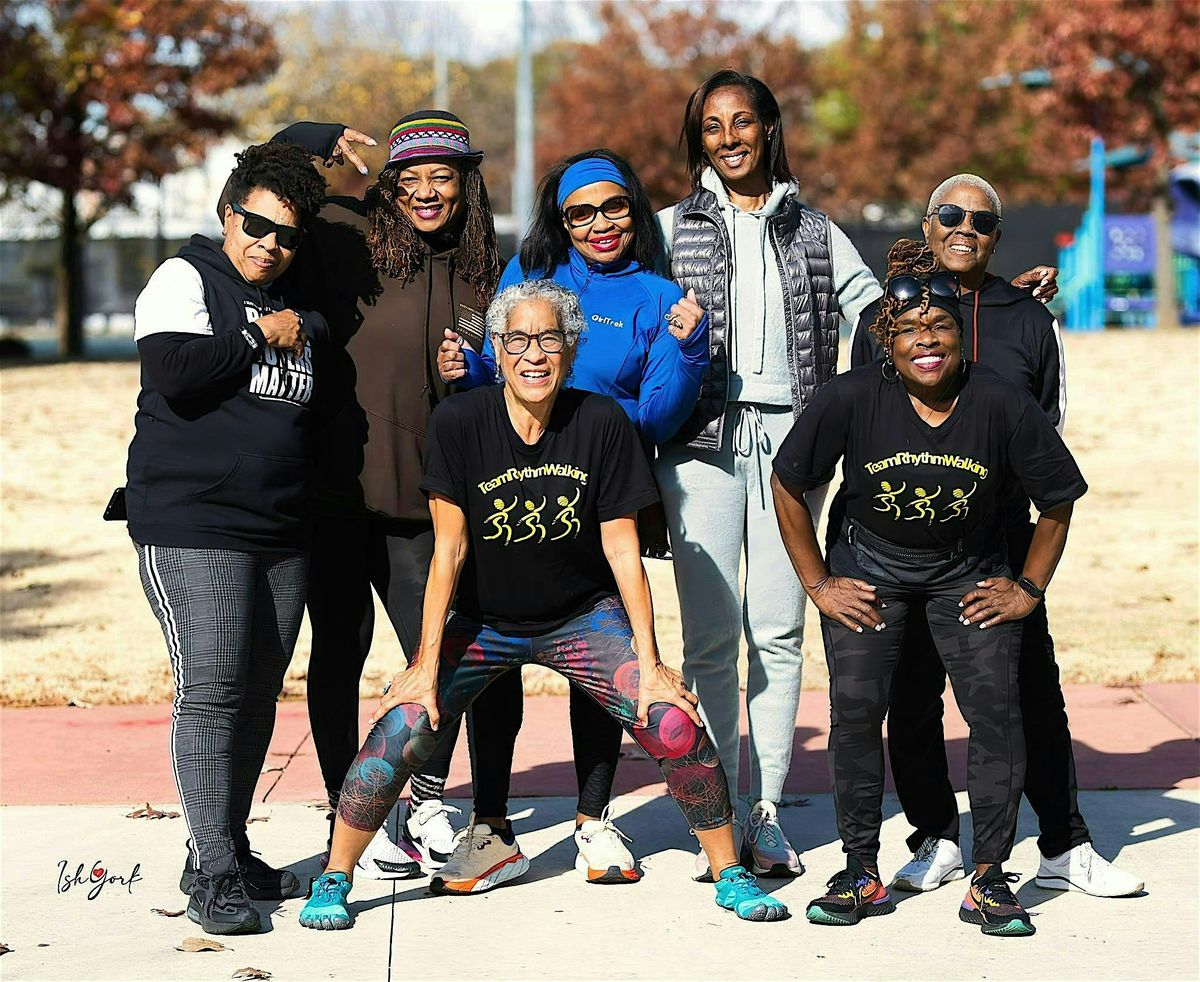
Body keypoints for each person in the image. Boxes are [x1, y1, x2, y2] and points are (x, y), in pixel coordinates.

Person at [655, 69, 1062, 880]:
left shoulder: (815, 228)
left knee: (778, 632)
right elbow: (620, 301)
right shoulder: (668, 229)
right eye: (712, 126)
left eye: (743, 122)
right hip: (701, 446)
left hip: (791, 443)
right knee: (711, 638)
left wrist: (995, 304)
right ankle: (718, 819)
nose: (729, 138)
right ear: (698, 139)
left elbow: (891, 313)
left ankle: (767, 812)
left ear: (770, 129)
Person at [298, 280, 788, 929]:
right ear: (498, 350)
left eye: (549, 338)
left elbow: (622, 551)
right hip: (484, 622)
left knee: (671, 720)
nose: (534, 353)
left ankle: (730, 873)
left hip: (581, 616)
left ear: (571, 348)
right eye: (518, 339)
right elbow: (448, 550)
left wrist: (651, 664)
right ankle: (334, 877)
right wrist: (422, 664)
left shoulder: (602, 423)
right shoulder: (460, 422)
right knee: (402, 726)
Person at [772, 238, 1089, 937]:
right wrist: (819, 582)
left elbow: (1059, 498)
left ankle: (989, 876)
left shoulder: (998, 399)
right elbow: (789, 482)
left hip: (967, 573)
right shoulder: (852, 396)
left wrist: (1027, 588)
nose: (926, 340)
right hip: (869, 571)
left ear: (961, 336)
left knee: (996, 715)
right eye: (910, 329)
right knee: (858, 715)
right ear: (887, 344)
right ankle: (859, 868)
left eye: (940, 325)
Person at [850, 174, 1144, 899]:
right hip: (904, 546)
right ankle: (935, 836)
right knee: (911, 696)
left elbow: (1047, 435)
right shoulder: (886, 316)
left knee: (1029, 692)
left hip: (997, 547)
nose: (965, 228)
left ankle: (1064, 844)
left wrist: (1024, 573)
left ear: (997, 235)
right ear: (926, 224)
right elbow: (862, 418)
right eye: (950, 214)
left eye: (981, 220)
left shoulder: (1029, 319)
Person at [436, 149, 707, 885]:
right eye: (580, 212)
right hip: (509, 493)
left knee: (598, 663)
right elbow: (496, 368)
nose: (599, 223)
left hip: (598, 497)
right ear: (561, 220)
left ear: (634, 209)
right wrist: (466, 369)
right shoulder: (528, 277)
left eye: (613, 206)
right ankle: (491, 825)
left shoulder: (658, 296)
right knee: (493, 660)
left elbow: (658, 415)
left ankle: (594, 821)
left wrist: (690, 352)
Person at [266, 112, 502, 877]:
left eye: (444, 176)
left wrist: (473, 372)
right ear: (391, 184)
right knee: (339, 652)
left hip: (424, 505)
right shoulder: (346, 233)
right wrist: (312, 138)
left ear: (466, 184)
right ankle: (350, 807)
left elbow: (496, 380)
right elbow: (265, 182)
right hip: (338, 492)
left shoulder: (482, 269)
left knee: (442, 657)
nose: (427, 191)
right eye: (412, 177)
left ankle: (424, 802)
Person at [126, 141, 329, 935]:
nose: (268, 244)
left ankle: (228, 850)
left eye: (286, 235)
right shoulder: (185, 277)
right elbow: (174, 373)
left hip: (279, 527)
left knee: (254, 694)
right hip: (194, 520)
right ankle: (211, 874)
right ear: (227, 213)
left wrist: (296, 322)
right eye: (256, 225)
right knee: (211, 691)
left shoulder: (290, 296)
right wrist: (257, 335)